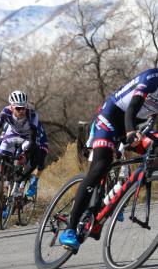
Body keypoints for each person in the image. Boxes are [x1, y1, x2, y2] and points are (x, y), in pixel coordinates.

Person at [59, 68, 158, 251]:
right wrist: (129, 132)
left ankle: (105, 209)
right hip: (110, 118)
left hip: (133, 124)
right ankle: (70, 228)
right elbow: (132, 108)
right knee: (101, 165)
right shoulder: (151, 78)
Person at [0, 90, 39, 174]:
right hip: (12, 134)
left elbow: (32, 139)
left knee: (29, 151)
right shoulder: (5, 112)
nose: (21, 111)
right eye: (18, 108)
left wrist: (25, 153)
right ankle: (1, 181)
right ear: (11, 107)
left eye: (23, 108)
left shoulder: (32, 114)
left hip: (27, 137)